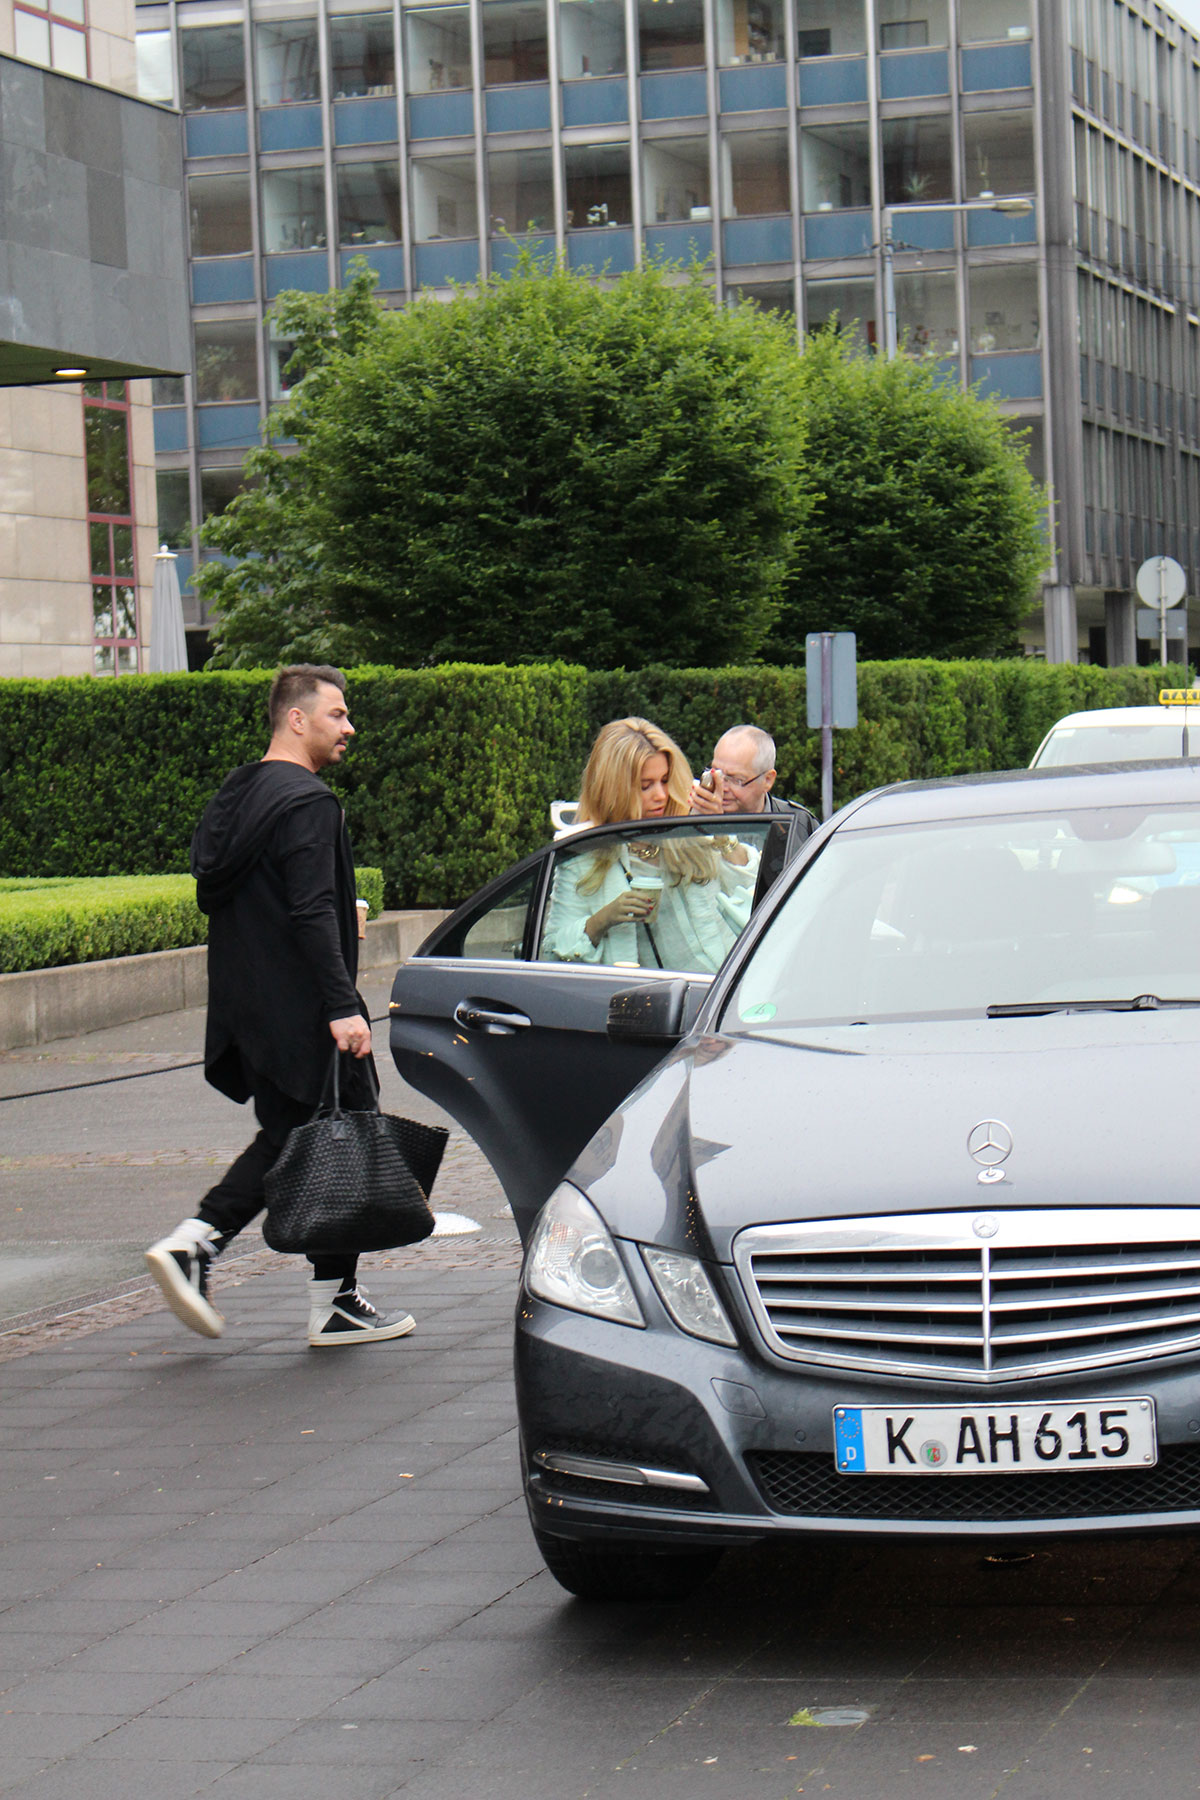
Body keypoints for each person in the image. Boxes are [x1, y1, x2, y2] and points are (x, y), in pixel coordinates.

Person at [144, 665, 414, 1349]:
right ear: (297, 719)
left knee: (324, 1132)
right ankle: (198, 1243)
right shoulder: (308, 802)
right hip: (306, 1011)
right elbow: (308, 909)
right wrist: (341, 1005)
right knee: (314, 1138)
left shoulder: (240, 795)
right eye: (337, 714)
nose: (349, 727)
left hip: (250, 1009)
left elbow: (257, 896)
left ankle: (334, 1299)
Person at [542, 717, 754, 973]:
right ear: (614, 790)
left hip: (727, 983)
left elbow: (753, 889)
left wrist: (721, 832)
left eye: (665, 780)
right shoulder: (584, 853)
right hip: (654, 1002)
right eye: (645, 786)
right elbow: (552, 952)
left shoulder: (687, 832)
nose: (661, 795)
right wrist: (603, 919)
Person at [688, 724, 817, 833]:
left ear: (768, 780)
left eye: (736, 780)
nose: (722, 787)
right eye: (716, 773)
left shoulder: (798, 826)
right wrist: (704, 824)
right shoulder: (691, 817)